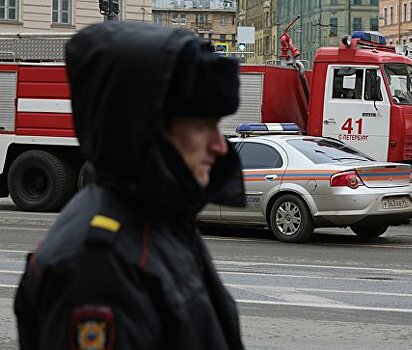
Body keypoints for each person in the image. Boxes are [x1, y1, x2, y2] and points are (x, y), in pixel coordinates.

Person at [15, 22, 246, 349]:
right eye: (203, 126)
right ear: (148, 133)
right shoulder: (98, 265)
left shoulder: (156, 219)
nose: (220, 146)